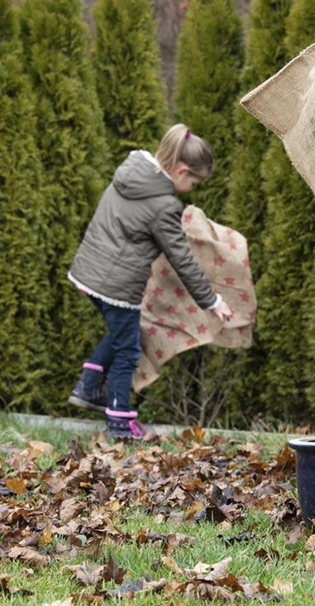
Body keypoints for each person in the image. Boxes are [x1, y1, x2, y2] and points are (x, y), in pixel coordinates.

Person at [67, 124, 234, 438]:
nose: (192, 187)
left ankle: (88, 384)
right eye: (194, 181)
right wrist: (212, 301)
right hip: (118, 286)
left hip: (89, 273)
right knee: (128, 350)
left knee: (122, 332)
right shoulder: (164, 206)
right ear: (182, 170)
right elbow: (182, 259)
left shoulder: (130, 172)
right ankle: (119, 420)